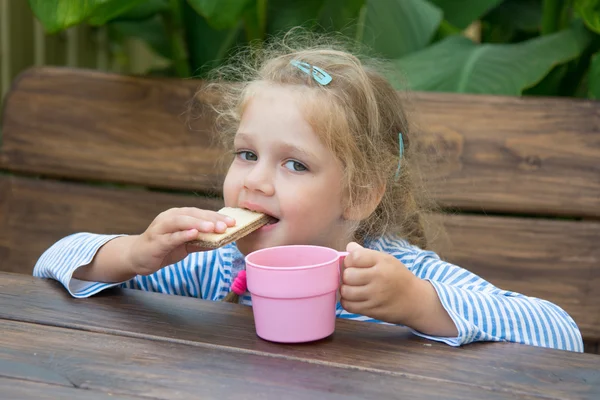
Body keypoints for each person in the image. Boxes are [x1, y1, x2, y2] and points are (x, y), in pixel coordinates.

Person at [33, 31, 583, 352]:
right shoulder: (213, 264)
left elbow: (561, 335)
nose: (254, 180)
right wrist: (132, 254)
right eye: (247, 154)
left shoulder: (395, 278)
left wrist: (419, 306)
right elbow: (51, 261)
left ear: (361, 196)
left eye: (294, 164)